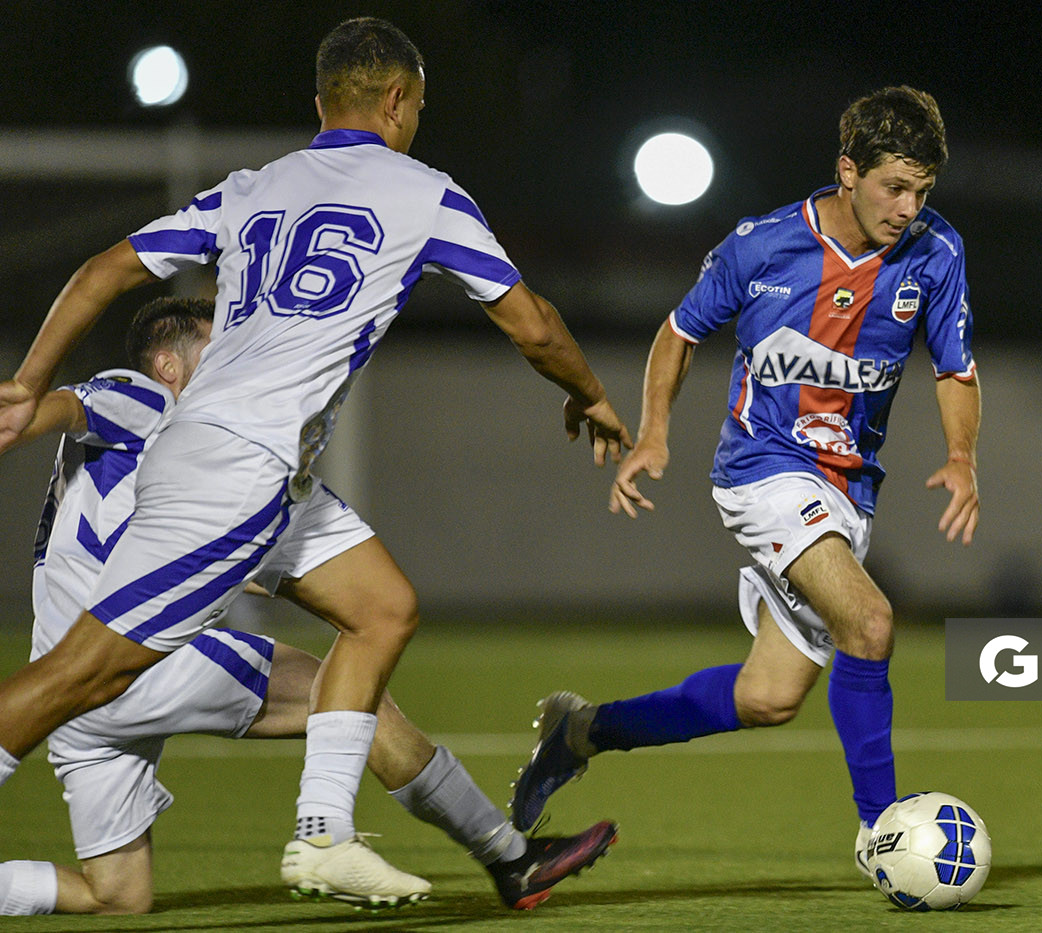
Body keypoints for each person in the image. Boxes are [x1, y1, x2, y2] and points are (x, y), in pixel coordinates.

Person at [0, 16, 629, 905]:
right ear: (400, 100)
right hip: (233, 466)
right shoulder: (426, 192)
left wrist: (29, 380)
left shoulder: (254, 185)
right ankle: (348, 839)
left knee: (382, 608)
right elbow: (533, 323)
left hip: (249, 462)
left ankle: (332, 833)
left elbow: (107, 268)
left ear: (321, 102)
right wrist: (592, 394)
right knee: (80, 673)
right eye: (417, 106)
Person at [0, 298, 616, 915]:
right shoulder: (146, 397)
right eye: (220, 347)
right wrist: (27, 402)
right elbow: (68, 405)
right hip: (131, 663)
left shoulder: (190, 469)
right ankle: (509, 857)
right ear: (167, 364)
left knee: (115, 895)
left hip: (68, 700)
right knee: (349, 699)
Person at [509, 86, 980, 882]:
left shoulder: (936, 252)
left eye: (922, 191)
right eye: (894, 187)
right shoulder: (761, 246)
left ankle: (583, 731)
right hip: (762, 469)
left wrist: (962, 455)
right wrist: (655, 429)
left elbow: (957, 368)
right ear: (847, 172)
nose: (908, 207)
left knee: (768, 696)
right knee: (870, 623)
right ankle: (884, 838)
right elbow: (680, 331)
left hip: (849, 490)